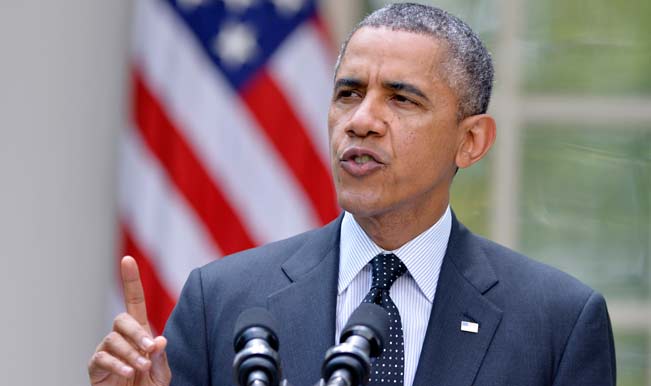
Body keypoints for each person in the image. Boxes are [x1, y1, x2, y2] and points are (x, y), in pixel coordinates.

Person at [88, 3, 616, 386]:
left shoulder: (556, 324)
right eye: (349, 93)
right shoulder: (221, 299)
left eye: (402, 100)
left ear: (471, 141)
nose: (362, 121)